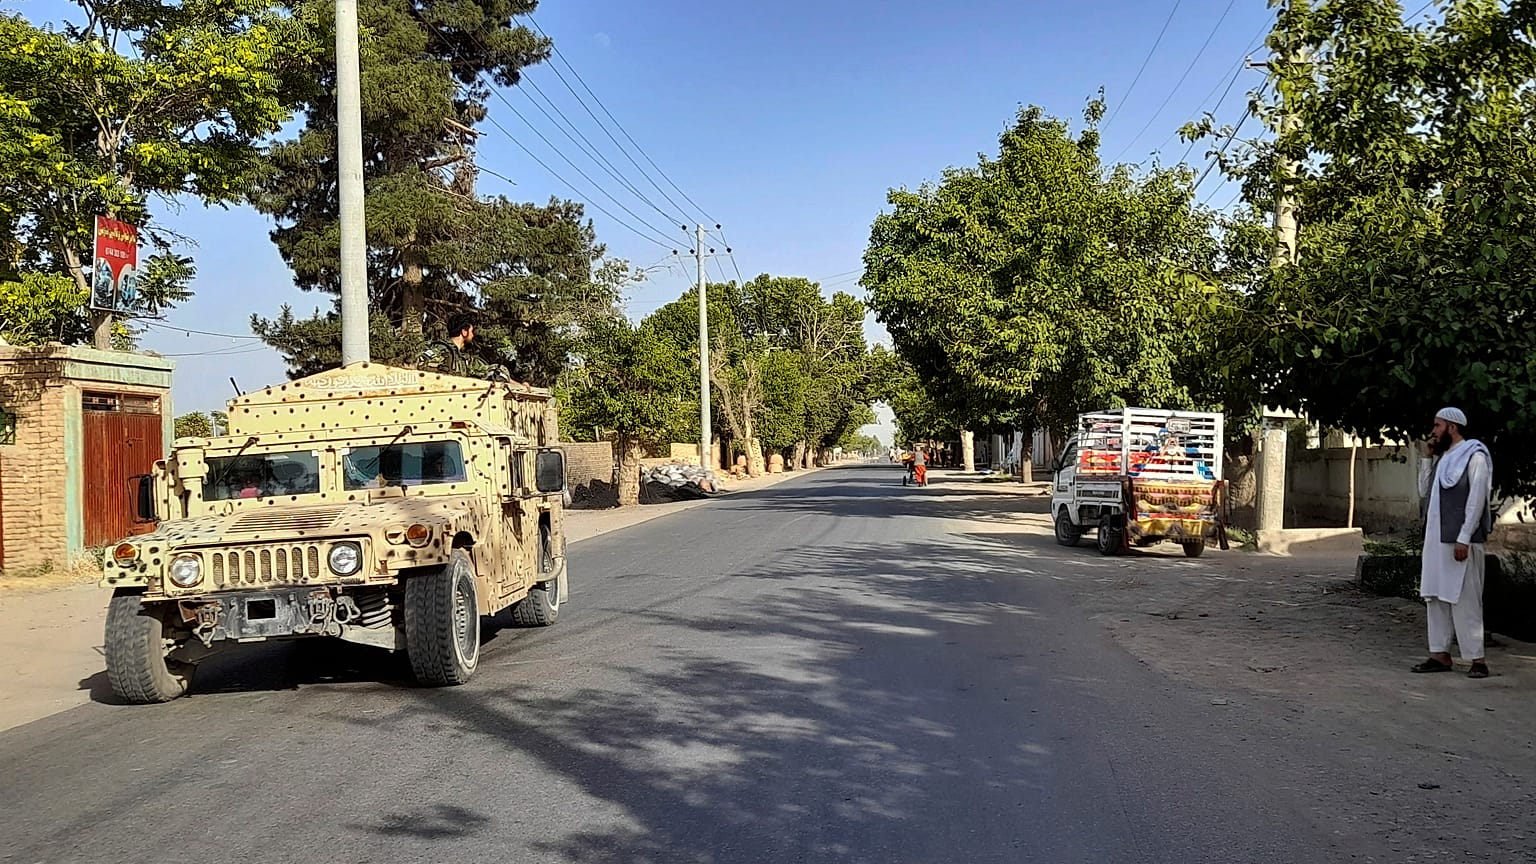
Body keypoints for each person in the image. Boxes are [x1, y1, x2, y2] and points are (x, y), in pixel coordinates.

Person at [1411, 407, 1494, 679]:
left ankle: (1477, 660)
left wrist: (1464, 537)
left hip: (1461, 541)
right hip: (1436, 542)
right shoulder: (1444, 458)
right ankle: (1440, 654)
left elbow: (1476, 499)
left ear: (1452, 427)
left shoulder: (1474, 456)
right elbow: (1424, 492)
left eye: (1437, 425)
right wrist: (1426, 458)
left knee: (1465, 598)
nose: (1433, 431)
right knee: (1435, 596)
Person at [419, 313, 509, 380]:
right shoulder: (441, 351)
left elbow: (487, 370)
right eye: (472, 331)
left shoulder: (463, 359)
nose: (473, 335)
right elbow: (421, 370)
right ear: (464, 332)